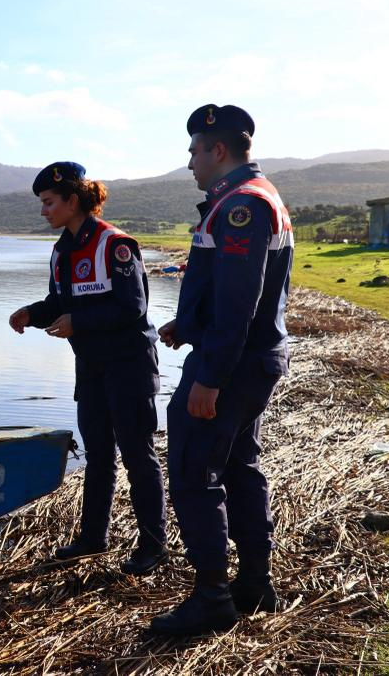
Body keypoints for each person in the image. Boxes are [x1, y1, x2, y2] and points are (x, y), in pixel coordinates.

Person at [150, 105, 294, 635]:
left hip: (232, 365)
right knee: (238, 466)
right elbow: (231, 292)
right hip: (247, 358)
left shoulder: (242, 205)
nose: (190, 161)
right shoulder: (252, 197)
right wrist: (187, 323)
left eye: (194, 150)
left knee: (194, 471)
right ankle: (254, 583)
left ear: (218, 149)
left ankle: (212, 596)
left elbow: (239, 303)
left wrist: (209, 377)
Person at [8, 162, 168, 576]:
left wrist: (78, 322)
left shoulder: (115, 244)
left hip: (129, 364)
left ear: (73, 201)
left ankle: (153, 547)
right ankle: (93, 538)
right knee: (98, 455)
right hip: (91, 367)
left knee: (138, 456)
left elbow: (132, 307)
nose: (43, 210)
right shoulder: (61, 251)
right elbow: (59, 303)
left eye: (49, 202)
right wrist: (31, 313)